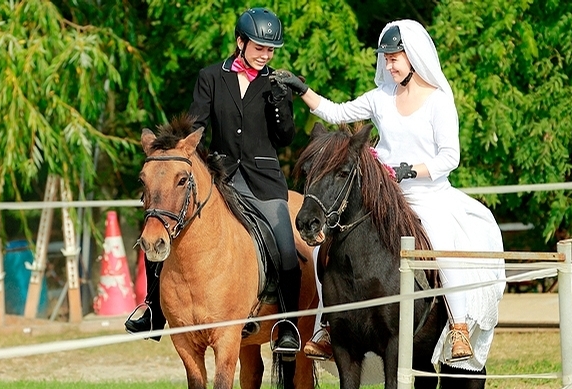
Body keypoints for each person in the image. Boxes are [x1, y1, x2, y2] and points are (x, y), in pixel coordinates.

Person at [272, 19, 506, 370]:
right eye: (386, 59)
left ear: (413, 57)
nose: (389, 65)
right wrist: (300, 89)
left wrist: (412, 170)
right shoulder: (381, 98)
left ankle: (458, 325)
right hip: (381, 194)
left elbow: (450, 157)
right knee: (325, 243)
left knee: (442, 242)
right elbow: (336, 113)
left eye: (395, 58)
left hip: (428, 194)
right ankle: (325, 326)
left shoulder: (438, 101)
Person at [126, 7, 303, 356]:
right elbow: (197, 124)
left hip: (263, 180)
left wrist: (281, 102)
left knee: (285, 246)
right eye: (259, 48)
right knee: (161, 224)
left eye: (270, 50)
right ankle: (153, 309)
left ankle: (288, 323)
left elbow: (285, 137)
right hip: (222, 177)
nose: (265, 55)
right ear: (240, 42)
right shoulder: (210, 77)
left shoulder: (274, 84)